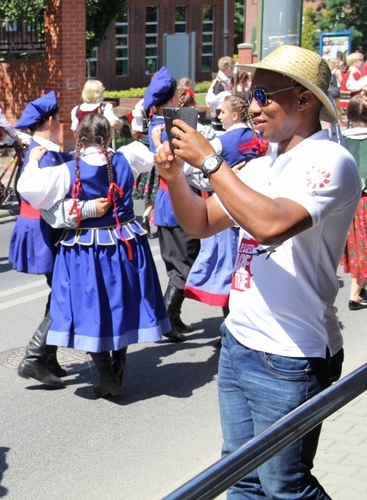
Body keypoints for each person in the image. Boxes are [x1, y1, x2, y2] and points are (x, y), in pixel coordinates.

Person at [154, 44, 359, 498]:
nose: (253, 106)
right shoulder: (265, 162)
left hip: (290, 354)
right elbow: (202, 222)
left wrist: (211, 161)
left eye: (264, 94)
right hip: (240, 340)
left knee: (284, 485)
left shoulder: (331, 161)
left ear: (304, 100)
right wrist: (172, 177)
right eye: (248, 93)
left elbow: (270, 225)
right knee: (241, 479)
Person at [18, 113, 170, 398]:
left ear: (79, 139)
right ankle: (117, 370)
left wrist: (34, 161)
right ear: (108, 138)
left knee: (91, 310)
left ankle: (106, 375)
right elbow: (151, 158)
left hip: (84, 249)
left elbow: (29, 189)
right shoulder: (127, 158)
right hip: (125, 243)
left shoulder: (67, 170)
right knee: (121, 304)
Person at [183, 93, 269, 314]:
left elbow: (189, 168)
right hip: (255, 208)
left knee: (227, 265)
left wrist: (217, 179)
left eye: (221, 112)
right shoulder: (259, 137)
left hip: (228, 210)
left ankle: (232, 320)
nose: (218, 115)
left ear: (234, 114)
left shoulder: (222, 141)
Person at [10, 91, 74, 387]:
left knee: (61, 290)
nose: (62, 124)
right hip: (44, 230)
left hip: (42, 228)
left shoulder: (43, 149)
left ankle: (46, 355)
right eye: (59, 119)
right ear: (50, 121)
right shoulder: (43, 154)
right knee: (64, 291)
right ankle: (36, 357)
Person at [145, 67, 199, 342]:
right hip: (178, 199)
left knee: (175, 263)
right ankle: (165, 319)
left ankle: (172, 317)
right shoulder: (170, 127)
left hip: (165, 201)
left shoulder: (153, 125)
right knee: (184, 265)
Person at [341, 95, 367, 310]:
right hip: (365, 201)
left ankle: (357, 291)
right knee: (363, 247)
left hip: (347, 200)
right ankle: (355, 295)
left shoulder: (341, 140)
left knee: (356, 246)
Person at [206, 56, 234, 130]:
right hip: (219, 119)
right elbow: (214, 102)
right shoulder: (219, 83)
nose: (233, 71)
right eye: (232, 68)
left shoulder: (224, 81)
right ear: (229, 68)